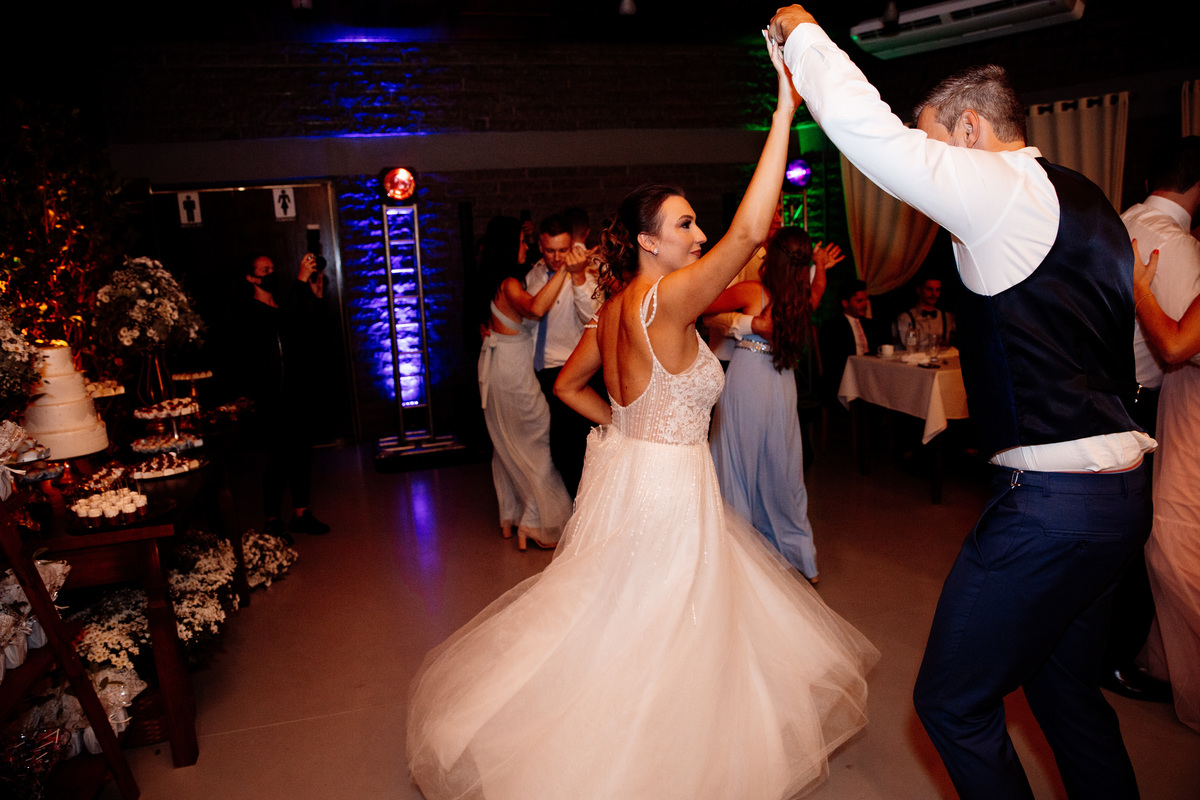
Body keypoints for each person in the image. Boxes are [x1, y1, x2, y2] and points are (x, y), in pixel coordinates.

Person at [406, 37, 877, 800]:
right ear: (650, 241)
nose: (699, 236)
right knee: (668, 627)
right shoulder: (668, 297)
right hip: (669, 485)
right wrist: (783, 111)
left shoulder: (619, 305)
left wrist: (626, 429)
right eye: (685, 225)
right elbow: (748, 235)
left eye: (696, 225)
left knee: (626, 618)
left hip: (633, 469)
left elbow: (570, 387)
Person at [769, 7, 1154, 798]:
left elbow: (872, 137)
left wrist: (804, 35)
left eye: (935, 144)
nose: (932, 178)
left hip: (1050, 507)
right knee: (1065, 694)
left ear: (970, 129)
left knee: (951, 702)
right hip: (1121, 496)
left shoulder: (1000, 188)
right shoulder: (1085, 198)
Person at [1103, 138, 1200, 704]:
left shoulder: (1117, 224)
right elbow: (1181, 346)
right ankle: (1119, 658)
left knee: (1113, 533)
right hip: (1146, 403)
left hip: (1104, 394)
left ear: (1147, 181)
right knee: (1146, 536)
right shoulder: (1178, 246)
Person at [706, 226, 828, 582]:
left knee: (737, 462)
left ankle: (739, 556)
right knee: (783, 465)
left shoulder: (752, 291)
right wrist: (821, 265)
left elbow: (702, 306)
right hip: (783, 382)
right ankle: (800, 556)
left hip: (749, 378)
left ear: (771, 257)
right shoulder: (803, 298)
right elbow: (819, 289)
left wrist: (743, 324)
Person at [476, 215, 574, 551]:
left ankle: (511, 517)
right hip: (511, 368)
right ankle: (535, 523)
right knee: (539, 437)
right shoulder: (510, 283)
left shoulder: (491, 280)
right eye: (521, 242)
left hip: (497, 362)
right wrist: (565, 269)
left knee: (508, 440)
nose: (526, 246)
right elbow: (536, 309)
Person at [233, 250, 332, 541]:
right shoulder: (249, 309)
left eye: (273, 268)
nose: (271, 273)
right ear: (251, 278)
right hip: (271, 394)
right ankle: (272, 518)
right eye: (265, 270)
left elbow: (307, 329)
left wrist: (316, 296)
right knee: (278, 456)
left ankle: (301, 512)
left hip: (297, 389)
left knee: (301, 451)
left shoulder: (282, 303)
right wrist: (300, 281)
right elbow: (276, 322)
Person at [524, 213, 602, 496]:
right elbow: (529, 314)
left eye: (562, 250)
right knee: (545, 443)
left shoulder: (585, 275)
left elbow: (592, 318)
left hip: (571, 370)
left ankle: (582, 504)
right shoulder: (534, 274)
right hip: (539, 369)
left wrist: (578, 276)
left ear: (572, 246)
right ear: (540, 246)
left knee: (570, 447)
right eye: (550, 251)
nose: (557, 257)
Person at [817, 279, 884, 409]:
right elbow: (832, 361)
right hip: (845, 379)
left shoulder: (870, 325)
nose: (864, 304)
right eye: (859, 301)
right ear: (845, 303)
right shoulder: (832, 327)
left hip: (871, 375)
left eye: (865, 300)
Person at [895, 276, 954, 350]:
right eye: (929, 289)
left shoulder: (947, 317)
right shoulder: (906, 317)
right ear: (918, 290)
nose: (934, 294)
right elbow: (907, 346)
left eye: (937, 290)